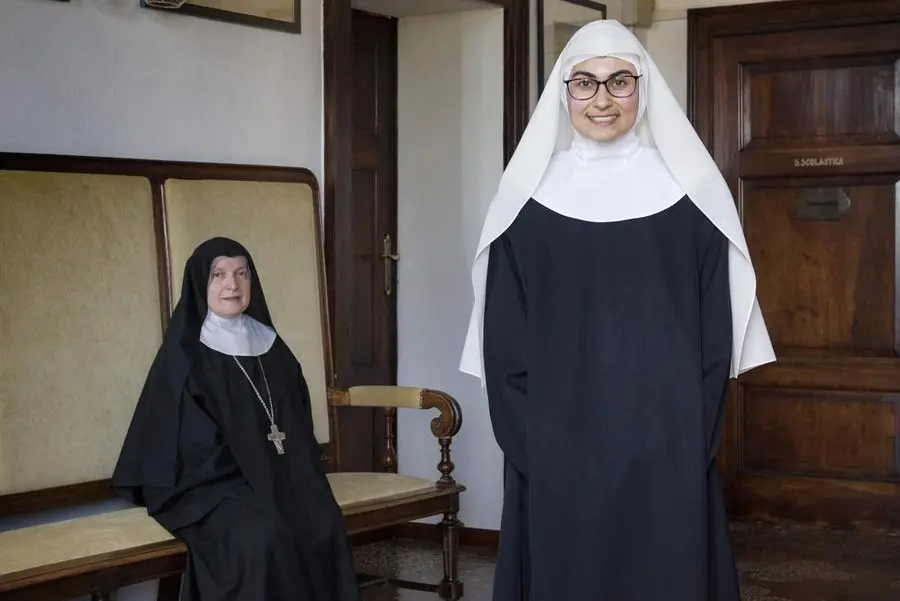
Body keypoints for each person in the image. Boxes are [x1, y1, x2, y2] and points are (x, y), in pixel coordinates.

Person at [459, 19, 776, 601]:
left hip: (667, 445)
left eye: (619, 82)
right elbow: (504, 344)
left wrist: (690, 438)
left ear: (644, 90)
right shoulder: (524, 206)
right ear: (564, 93)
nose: (602, 100)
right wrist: (537, 448)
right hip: (555, 449)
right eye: (585, 83)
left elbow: (714, 335)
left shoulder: (692, 197)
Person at [112, 237, 361, 601]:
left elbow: (295, 421)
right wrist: (256, 476)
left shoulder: (272, 346)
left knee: (324, 521)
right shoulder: (185, 355)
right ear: (201, 284)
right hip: (206, 485)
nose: (232, 285)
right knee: (263, 535)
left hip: (276, 476)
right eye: (219, 275)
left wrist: (285, 474)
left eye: (241, 273)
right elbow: (189, 445)